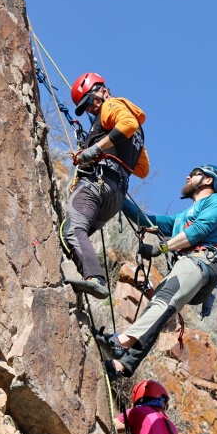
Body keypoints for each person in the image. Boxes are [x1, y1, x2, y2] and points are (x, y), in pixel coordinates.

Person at [97, 165, 217, 378]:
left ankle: (121, 341)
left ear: (209, 180)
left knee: (163, 301)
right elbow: (146, 220)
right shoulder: (181, 217)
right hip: (189, 266)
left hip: (200, 260)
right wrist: (117, 193)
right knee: (157, 310)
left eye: (195, 173)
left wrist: (162, 248)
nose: (188, 176)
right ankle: (122, 366)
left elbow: (198, 230)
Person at [60, 72, 150, 299]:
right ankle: (83, 275)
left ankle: (95, 279)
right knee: (73, 236)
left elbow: (128, 123)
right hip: (115, 196)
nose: (90, 108)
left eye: (89, 101)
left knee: (72, 230)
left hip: (98, 183)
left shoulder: (111, 106)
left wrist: (96, 149)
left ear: (103, 91)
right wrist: (110, 145)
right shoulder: (138, 133)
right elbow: (142, 169)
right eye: (85, 106)